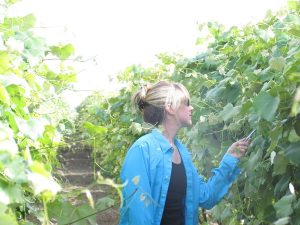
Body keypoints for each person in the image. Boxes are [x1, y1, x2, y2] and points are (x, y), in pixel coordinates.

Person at [119, 81, 249, 225]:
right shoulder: (142, 150)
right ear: (170, 107)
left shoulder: (182, 153)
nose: (191, 108)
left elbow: (206, 197)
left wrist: (230, 159)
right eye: (186, 103)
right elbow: (139, 218)